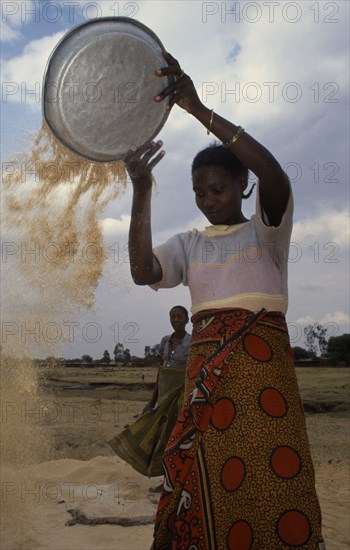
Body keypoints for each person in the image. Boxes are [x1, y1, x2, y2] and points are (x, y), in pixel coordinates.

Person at [124, 52, 325, 550]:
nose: (208, 199)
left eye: (217, 188)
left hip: (265, 385)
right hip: (206, 387)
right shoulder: (189, 244)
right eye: (199, 192)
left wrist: (197, 108)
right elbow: (140, 271)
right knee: (201, 475)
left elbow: (275, 173)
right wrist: (141, 190)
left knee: (276, 475)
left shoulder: (266, 232)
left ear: (242, 185)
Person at [108, 305, 191, 478]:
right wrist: (152, 401)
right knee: (159, 435)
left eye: (179, 316)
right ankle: (164, 476)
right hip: (163, 395)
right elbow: (161, 371)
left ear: (186, 319)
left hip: (180, 396)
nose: (175, 320)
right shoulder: (164, 341)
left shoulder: (192, 342)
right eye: (172, 317)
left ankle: (171, 479)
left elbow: (192, 371)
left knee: (174, 436)